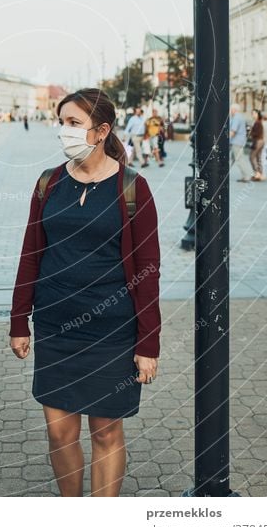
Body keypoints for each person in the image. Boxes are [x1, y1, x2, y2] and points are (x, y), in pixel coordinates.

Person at [10, 88, 161, 497]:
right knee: (59, 434)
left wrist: (149, 343)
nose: (64, 131)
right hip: (56, 328)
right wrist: (18, 321)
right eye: (61, 123)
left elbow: (148, 273)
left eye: (74, 123)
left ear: (101, 130)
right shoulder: (48, 183)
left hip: (112, 333)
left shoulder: (133, 188)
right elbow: (30, 254)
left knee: (106, 433)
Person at [229, 103, 251, 181]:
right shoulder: (240, 117)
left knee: (239, 159)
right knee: (233, 158)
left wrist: (225, 139)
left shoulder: (236, 118)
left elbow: (233, 131)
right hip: (239, 141)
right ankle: (244, 176)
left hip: (236, 142)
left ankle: (246, 176)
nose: (230, 111)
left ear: (234, 110)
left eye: (231, 109)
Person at [250, 108, 265, 181]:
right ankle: (260, 174)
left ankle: (257, 173)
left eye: (254, 113)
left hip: (258, 141)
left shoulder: (258, 122)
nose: (252, 115)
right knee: (258, 157)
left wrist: (250, 132)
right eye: (252, 113)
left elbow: (257, 133)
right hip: (260, 141)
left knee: (252, 157)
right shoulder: (258, 122)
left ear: (257, 114)